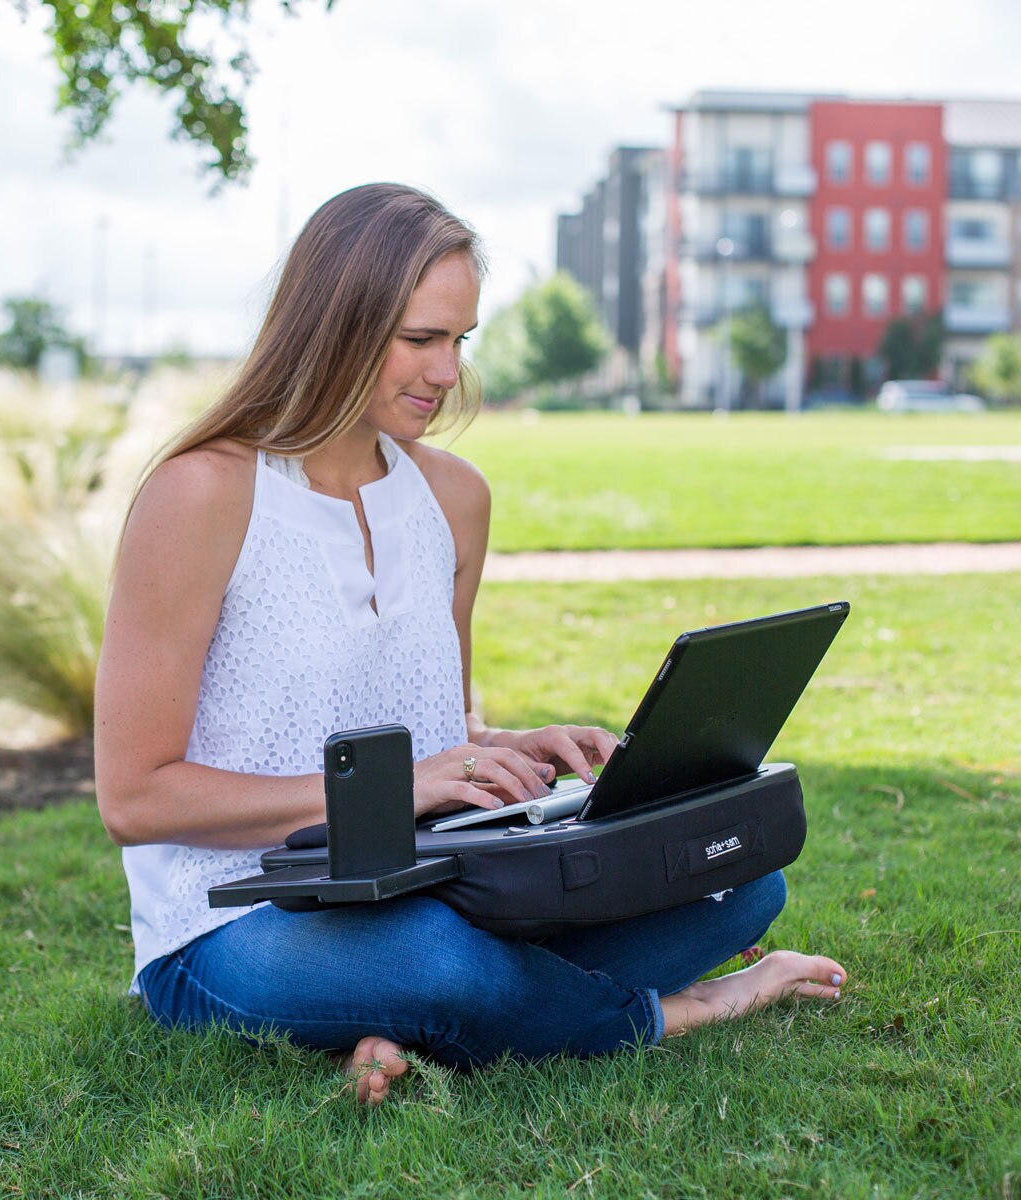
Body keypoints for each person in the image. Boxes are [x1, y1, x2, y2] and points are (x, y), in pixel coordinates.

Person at [94, 183, 846, 1106]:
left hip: (434, 880)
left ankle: (387, 1020)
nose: (447, 371)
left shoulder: (454, 500)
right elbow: (134, 797)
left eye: (460, 340)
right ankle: (682, 1009)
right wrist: (400, 790)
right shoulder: (201, 495)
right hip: (237, 916)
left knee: (741, 883)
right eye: (421, 339)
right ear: (334, 323)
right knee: (447, 967)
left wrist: (511, 749)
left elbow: (434, 728)